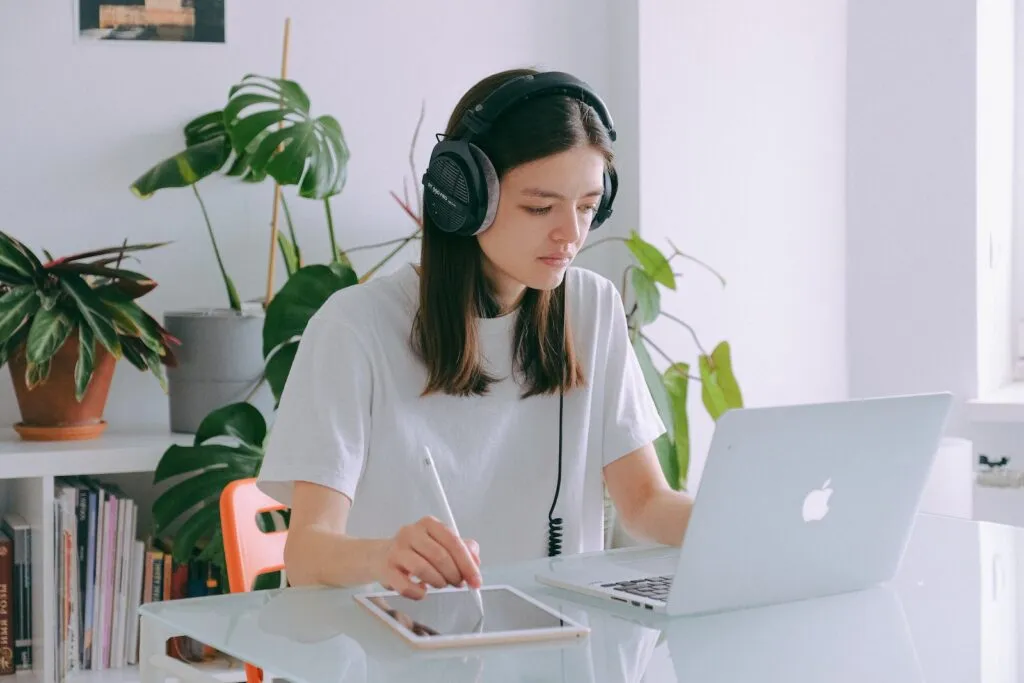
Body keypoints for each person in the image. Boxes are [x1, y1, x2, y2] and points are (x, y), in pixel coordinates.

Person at [255, 67, 695, 600]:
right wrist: (383, 554)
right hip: (391, 647)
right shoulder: (354, 327)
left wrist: (747, 523)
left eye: (586, 206)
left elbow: (645, 504)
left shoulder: (591, 308)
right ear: (462, 198)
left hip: (556, 652)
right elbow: (305, 553)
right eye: (539, 207)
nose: (571, 234)